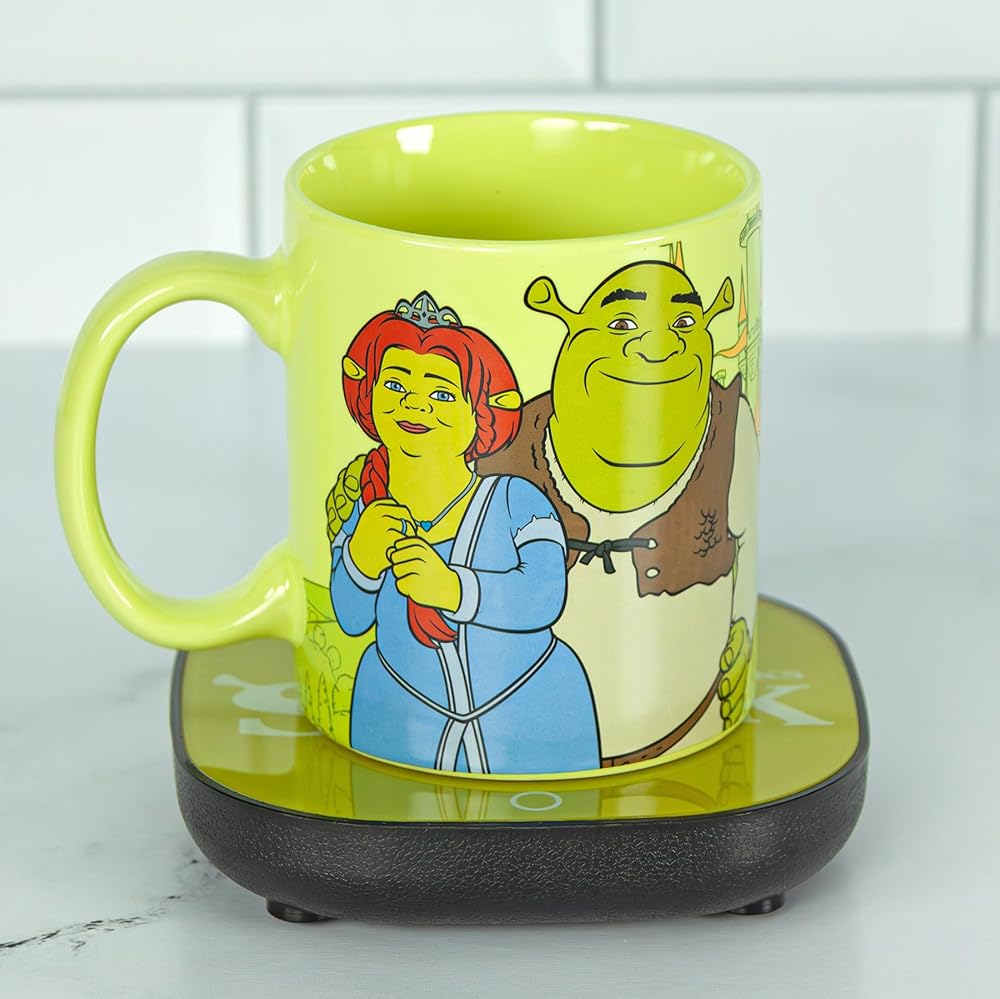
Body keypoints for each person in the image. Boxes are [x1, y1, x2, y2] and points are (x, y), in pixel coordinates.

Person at [328, 292, 599, 775]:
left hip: (532, 709)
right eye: (395, 384)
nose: (414, 404)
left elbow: (545, 595)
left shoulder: (514, 500)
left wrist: (453, 589)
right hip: (394, 712)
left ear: (482, 417)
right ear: (368, 396)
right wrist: (361, 561)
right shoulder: (366, 509)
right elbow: (348, 618)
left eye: (441, 394)